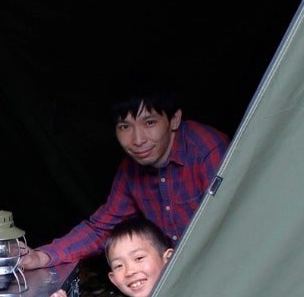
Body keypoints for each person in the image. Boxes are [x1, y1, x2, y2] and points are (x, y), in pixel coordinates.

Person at [19, 89, 228, 271]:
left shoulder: (207, 150)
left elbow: (231, 224)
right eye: (125, 127)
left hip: (221, 267)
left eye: (149, 122)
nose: (138, 140)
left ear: (174, 119)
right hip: (172, 274)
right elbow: (102, 228)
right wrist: (42, 257)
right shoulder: (131, 169)